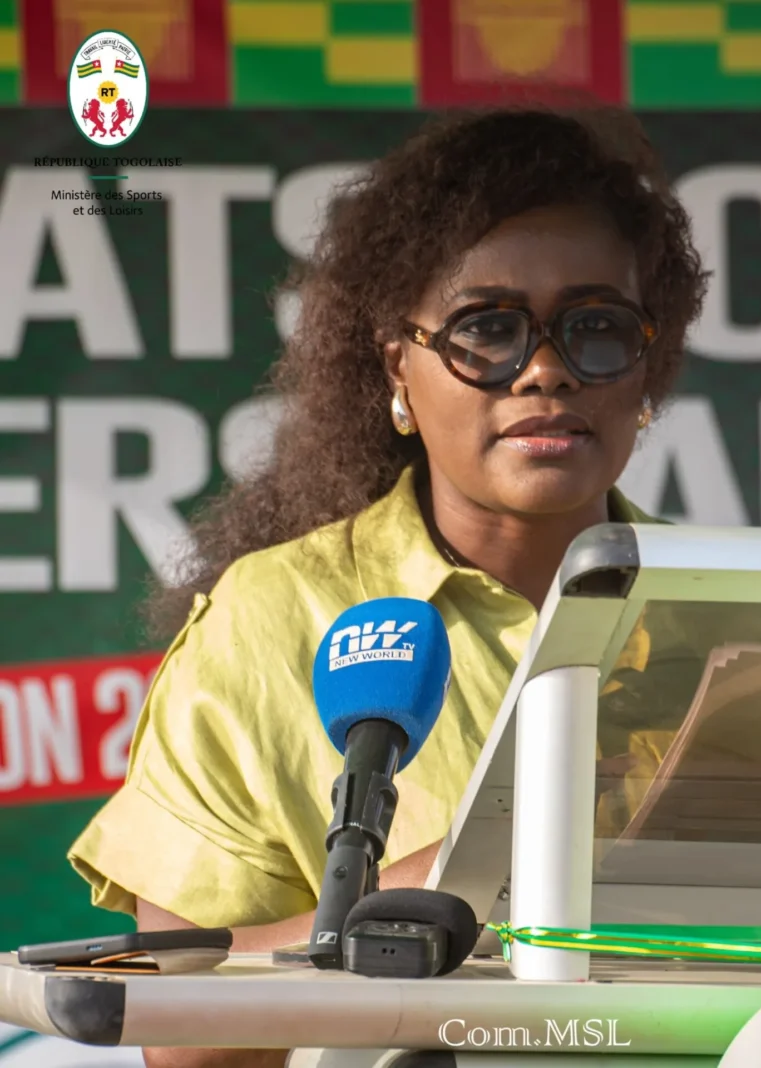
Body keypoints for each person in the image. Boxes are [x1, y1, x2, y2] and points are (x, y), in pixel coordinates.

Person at [67, 106, 706, 1068]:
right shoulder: (272, 620)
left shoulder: (747, 608)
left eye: (597, 329)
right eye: (485, 329)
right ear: (396, 369)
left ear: (646, 368)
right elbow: (181, 1032)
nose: (544, 370)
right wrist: (441, 894)